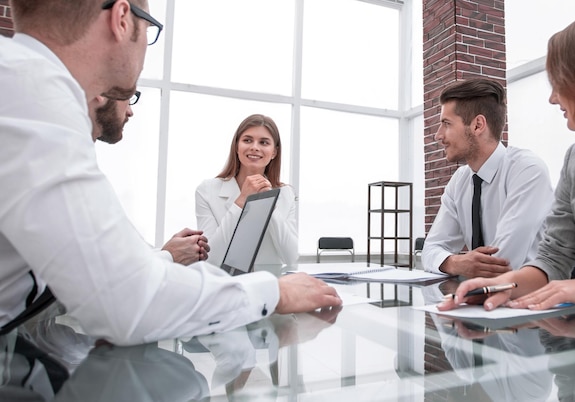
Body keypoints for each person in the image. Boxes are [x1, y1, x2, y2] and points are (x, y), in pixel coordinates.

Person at [0, 0, 340, 345]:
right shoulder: (35, 103)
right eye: (149, 30)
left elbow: (100, 269)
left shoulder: (26, 88)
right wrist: (275, 293)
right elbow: (128, 302)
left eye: (264, 143)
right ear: (121, 19)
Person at [438, 7, 575, 312]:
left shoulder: (526, 168)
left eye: (561, 80)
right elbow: (554, 258)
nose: (553, 97)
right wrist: (504, 285)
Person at [421, 78, 554, 278]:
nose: (438, 136)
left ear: (478, 125)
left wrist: (454, 262)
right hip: (486, 298)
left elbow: (499, 264)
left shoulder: (527, 170)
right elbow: (430, 250)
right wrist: (456, 262)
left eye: (446, 124)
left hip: (534, 298)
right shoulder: (460, 181)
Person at [90, 93, 210, 265]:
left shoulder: (89, 172)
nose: (130, 112)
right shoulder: (71, 172)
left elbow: (126, 247)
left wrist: (169, 250)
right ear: (101, 94)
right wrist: (170, 255)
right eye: (128, 98)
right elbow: (103, 269)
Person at [196, 114, 298, 267]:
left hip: (272, 283)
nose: (255, 147)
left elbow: (291, 257)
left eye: (263, 142)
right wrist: (241, 201)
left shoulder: (286, 194)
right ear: (237, 147)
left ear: (274, 153)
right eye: (247, 140)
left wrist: (268, 202)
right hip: (226, 284)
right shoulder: (207, 190)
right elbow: (211, 258)